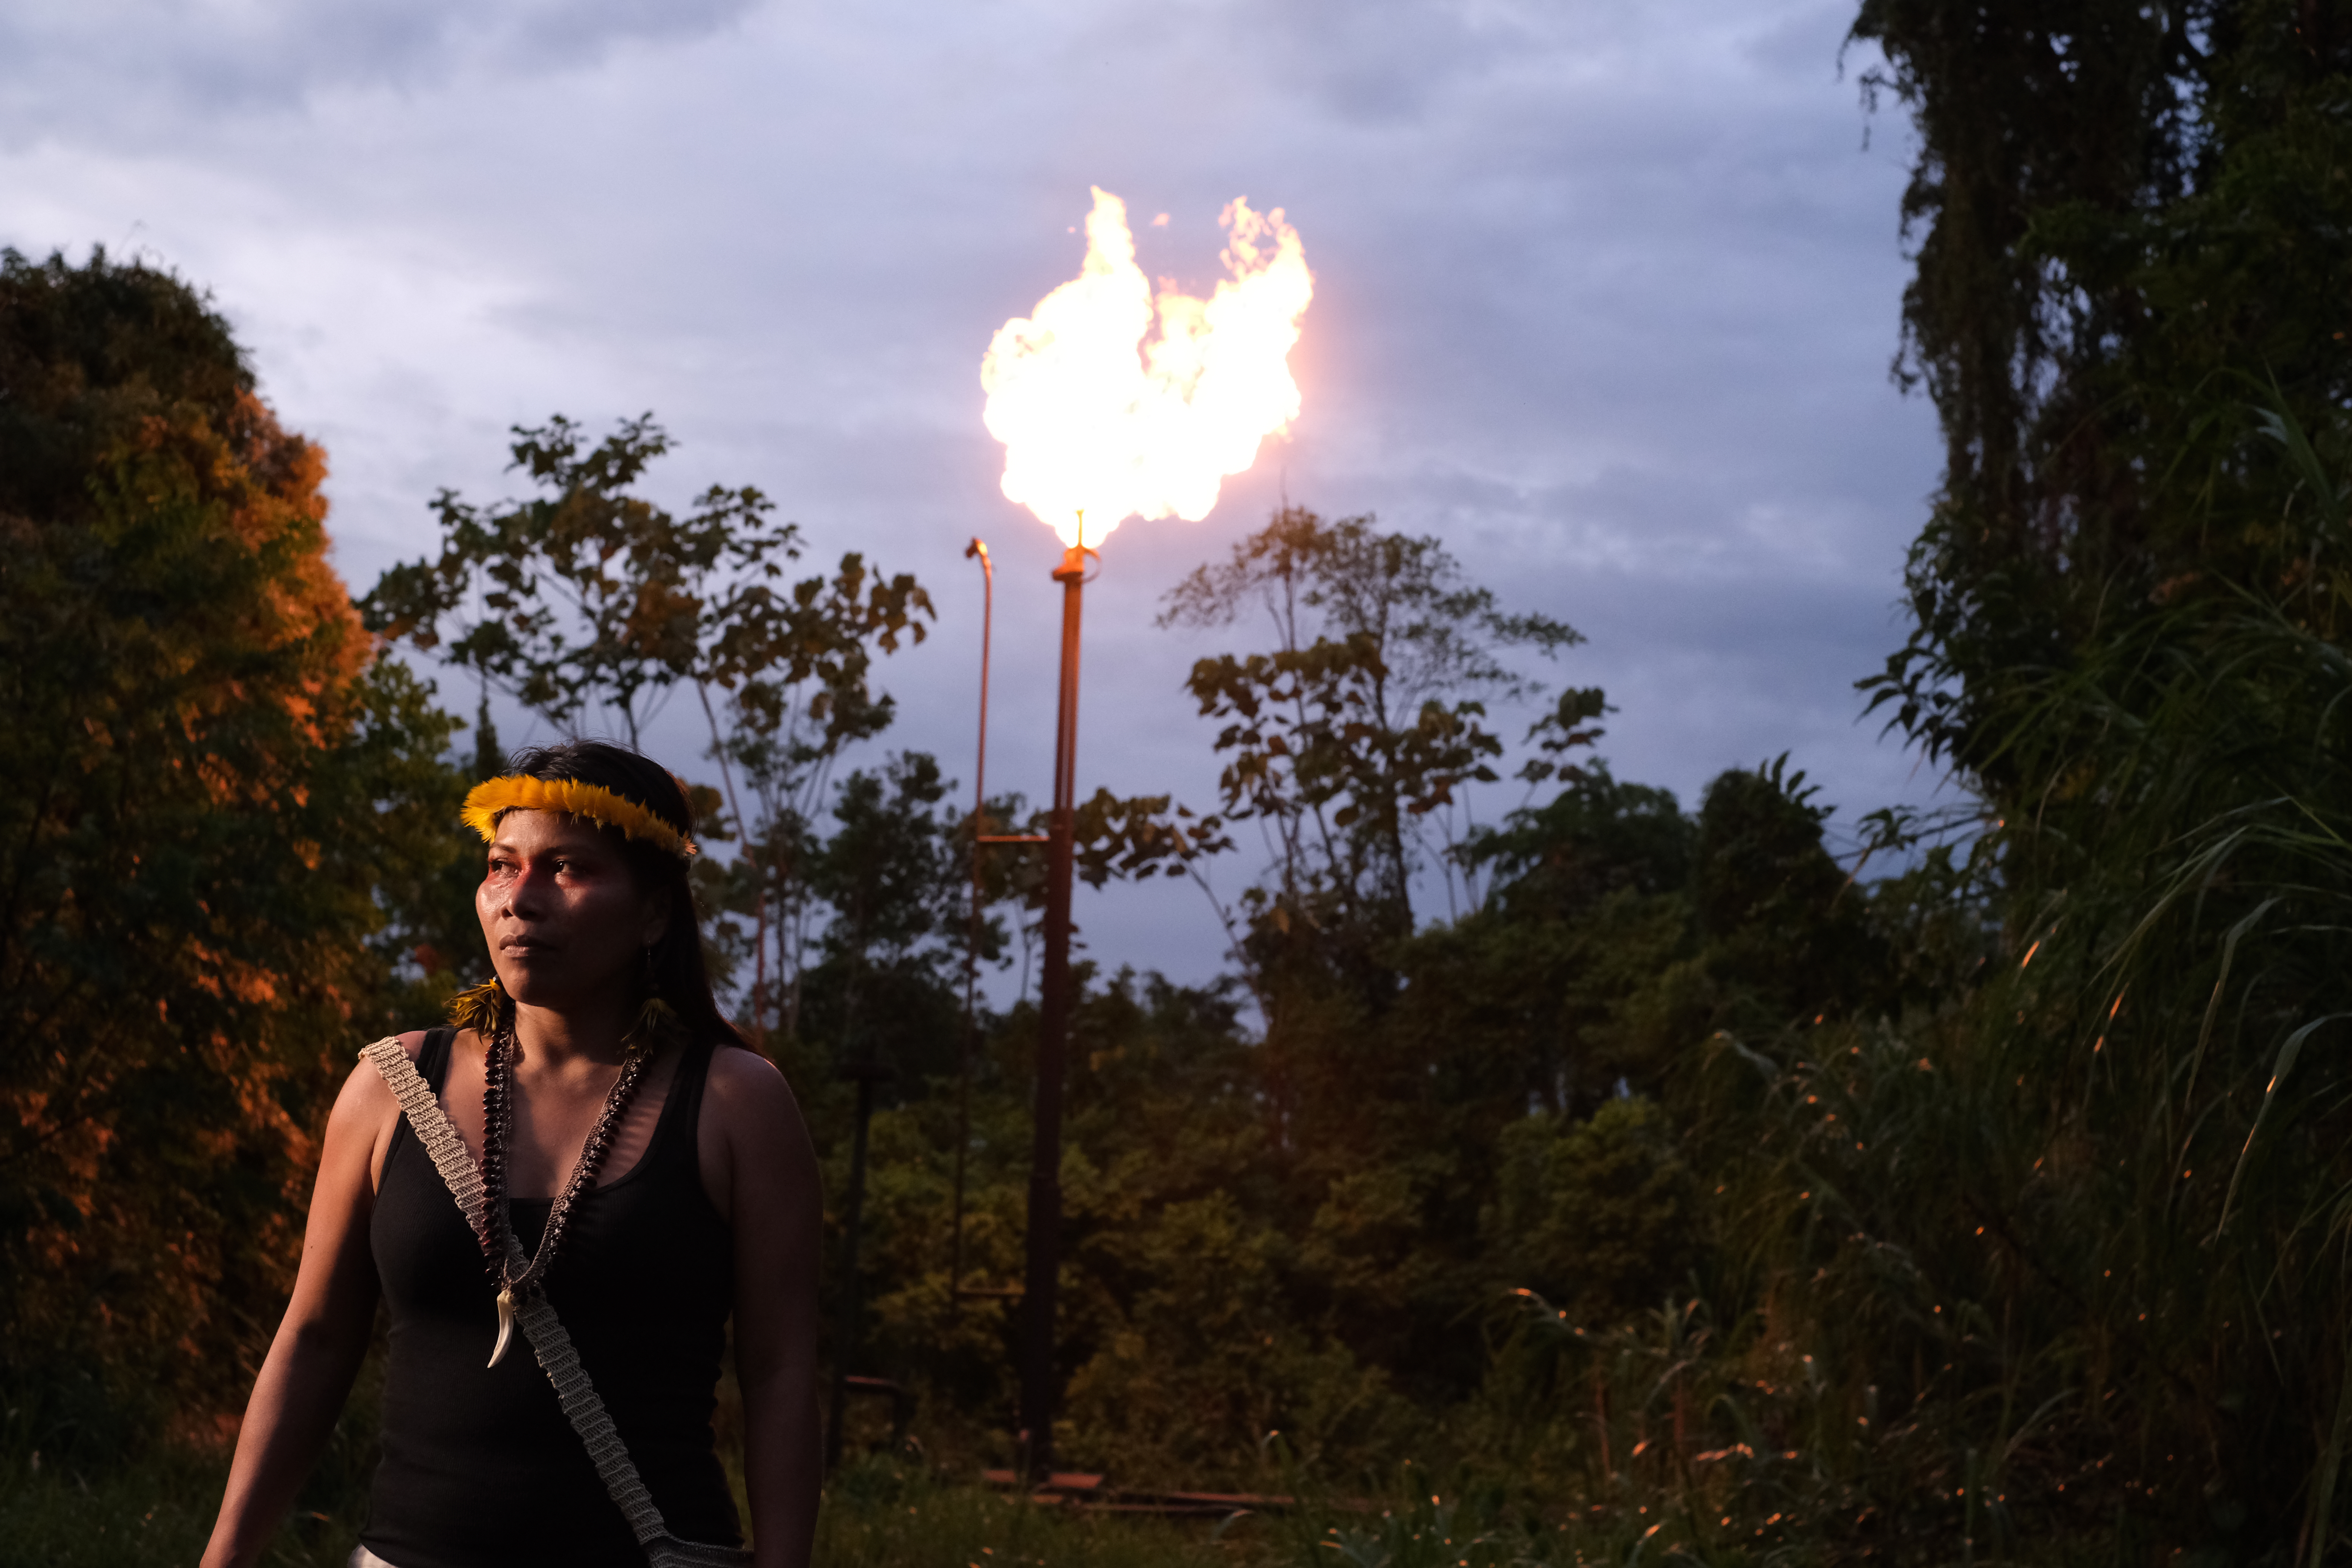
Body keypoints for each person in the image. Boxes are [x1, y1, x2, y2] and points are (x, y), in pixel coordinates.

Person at [201, 741, 822, 1568]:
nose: (519, 899)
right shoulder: (391, 1087)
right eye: (502, 864)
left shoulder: (736, 1102)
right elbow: (314, 1340)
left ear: (655, 912)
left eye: (567, 868)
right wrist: (223, 1557)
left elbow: (781, 1374)